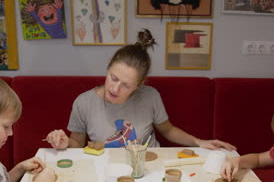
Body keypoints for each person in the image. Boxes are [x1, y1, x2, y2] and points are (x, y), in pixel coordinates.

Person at [46, 29, 236, 151]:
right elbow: (77, 143)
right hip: (106, 168)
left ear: (140, 84)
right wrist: (64, 144)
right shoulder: (84, 102)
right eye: (113, 78)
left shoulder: (150, 96)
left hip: (148, 165)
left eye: (127, 85)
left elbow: (168, 130)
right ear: (108, 68)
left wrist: (199, 142)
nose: (115, 88)